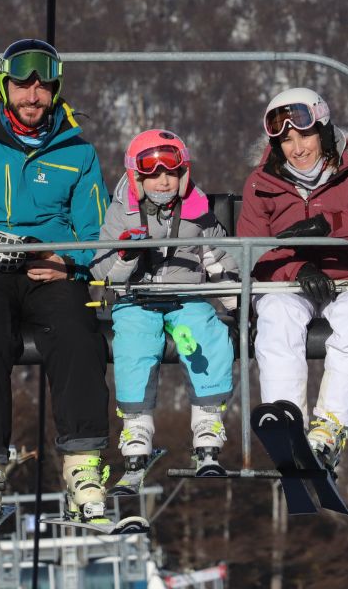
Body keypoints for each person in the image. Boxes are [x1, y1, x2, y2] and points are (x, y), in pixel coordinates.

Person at [0, 39, 112, 532]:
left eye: (43, 86)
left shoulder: (77, 152)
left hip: (50, 270)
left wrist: (68, 261)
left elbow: (95, 230)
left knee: (78, 334)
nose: (32, 96)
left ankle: (83, 466)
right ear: (5, 86)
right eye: (22, 85)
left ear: (56, 90)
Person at [236, 87, 348, 470]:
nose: (297, 148)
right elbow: (252, 248)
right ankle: (286, 425)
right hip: (288, 283)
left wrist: (333, 224)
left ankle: (330, 429)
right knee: (277, 317)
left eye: (305, 135)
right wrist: (298, 269)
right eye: (286, 141)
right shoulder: (262, 182)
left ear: (324, 130)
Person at [90, 129, 239, 478]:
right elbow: (103, 270)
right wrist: (126, 256)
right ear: (137, 177)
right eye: (153, 174)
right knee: (134, 343)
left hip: (186, 296)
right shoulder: (121, 212)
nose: (162, 182)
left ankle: (207, 420)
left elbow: (217, 256)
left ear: (183, 174)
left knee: (208, 334)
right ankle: (137, 425)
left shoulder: (197, 210)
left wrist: (236, 304)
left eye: (170, 173)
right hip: (137, 298)